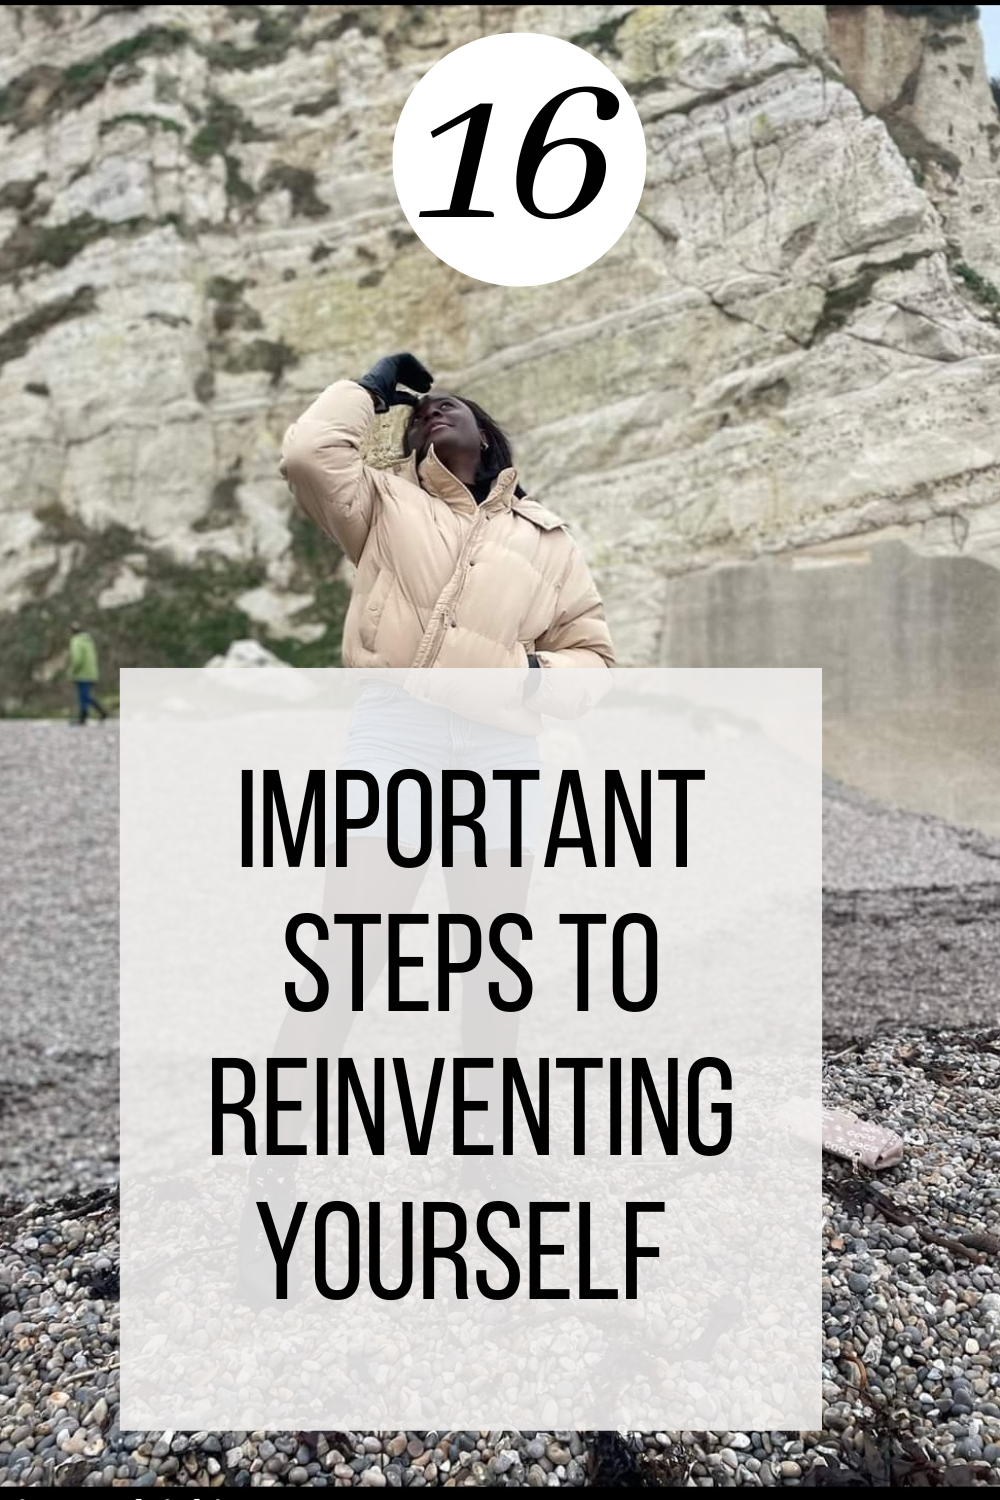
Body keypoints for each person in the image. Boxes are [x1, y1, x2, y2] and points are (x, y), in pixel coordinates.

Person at [232, 354, 615, 1307]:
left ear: (488, 438)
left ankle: (479, 1159)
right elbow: (306, 454)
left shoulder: (547, 534)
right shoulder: (384, 506)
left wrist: (531, 674)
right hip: (395, 730)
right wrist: (368, 387)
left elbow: (594, 655)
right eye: (416, 417)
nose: (428, 417)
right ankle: (274, 1174)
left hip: (501, 756)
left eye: (449, 411)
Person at [67, 623, 108, 725]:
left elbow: (77, 659)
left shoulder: (76, 641)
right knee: (86, 696)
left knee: (83, 696)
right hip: (91, 672)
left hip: (82, 673)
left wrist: (72, 671)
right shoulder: (88, 641)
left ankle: (83, 717)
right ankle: (101, 712)